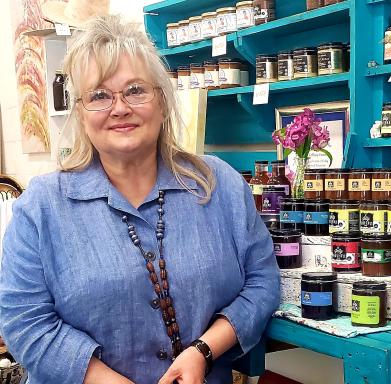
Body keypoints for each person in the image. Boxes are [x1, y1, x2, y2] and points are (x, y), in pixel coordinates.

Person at [0, 15, 280, 384]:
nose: (120, 108)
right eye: (99, 95)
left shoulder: (218, 185)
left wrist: (204, 350)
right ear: (81, 114)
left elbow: (263, 282)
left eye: (135, 90)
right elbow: (24, 320)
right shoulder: (42, 206)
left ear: (162, 102)